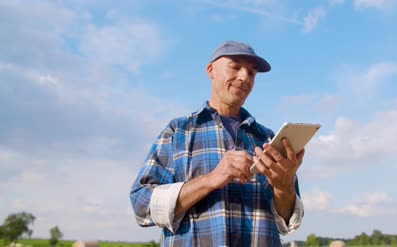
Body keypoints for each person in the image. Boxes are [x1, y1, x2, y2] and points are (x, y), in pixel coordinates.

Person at [130, 41, 305, 246]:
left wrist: (284, 187)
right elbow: (142, 206)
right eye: (235, 66)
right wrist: (212, 179)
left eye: (251, 72)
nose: (244, 77)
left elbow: (286, 221)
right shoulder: (178, 131)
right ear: (211, 70)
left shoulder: (267, 139)